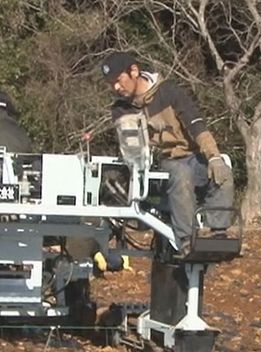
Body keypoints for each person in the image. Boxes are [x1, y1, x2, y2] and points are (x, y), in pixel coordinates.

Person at [100, 51, 234, 252]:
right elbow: (131, 148)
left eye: (119, 80)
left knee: (221, 170)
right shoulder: (121, 109)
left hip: (191, 157)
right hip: (158, 166)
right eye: (111, 84)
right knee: (180, 174)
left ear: (134, 71)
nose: (116, 88)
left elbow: (197, 125)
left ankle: (219, 232)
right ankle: (188, 241)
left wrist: (213, 157)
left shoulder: (170, 92)